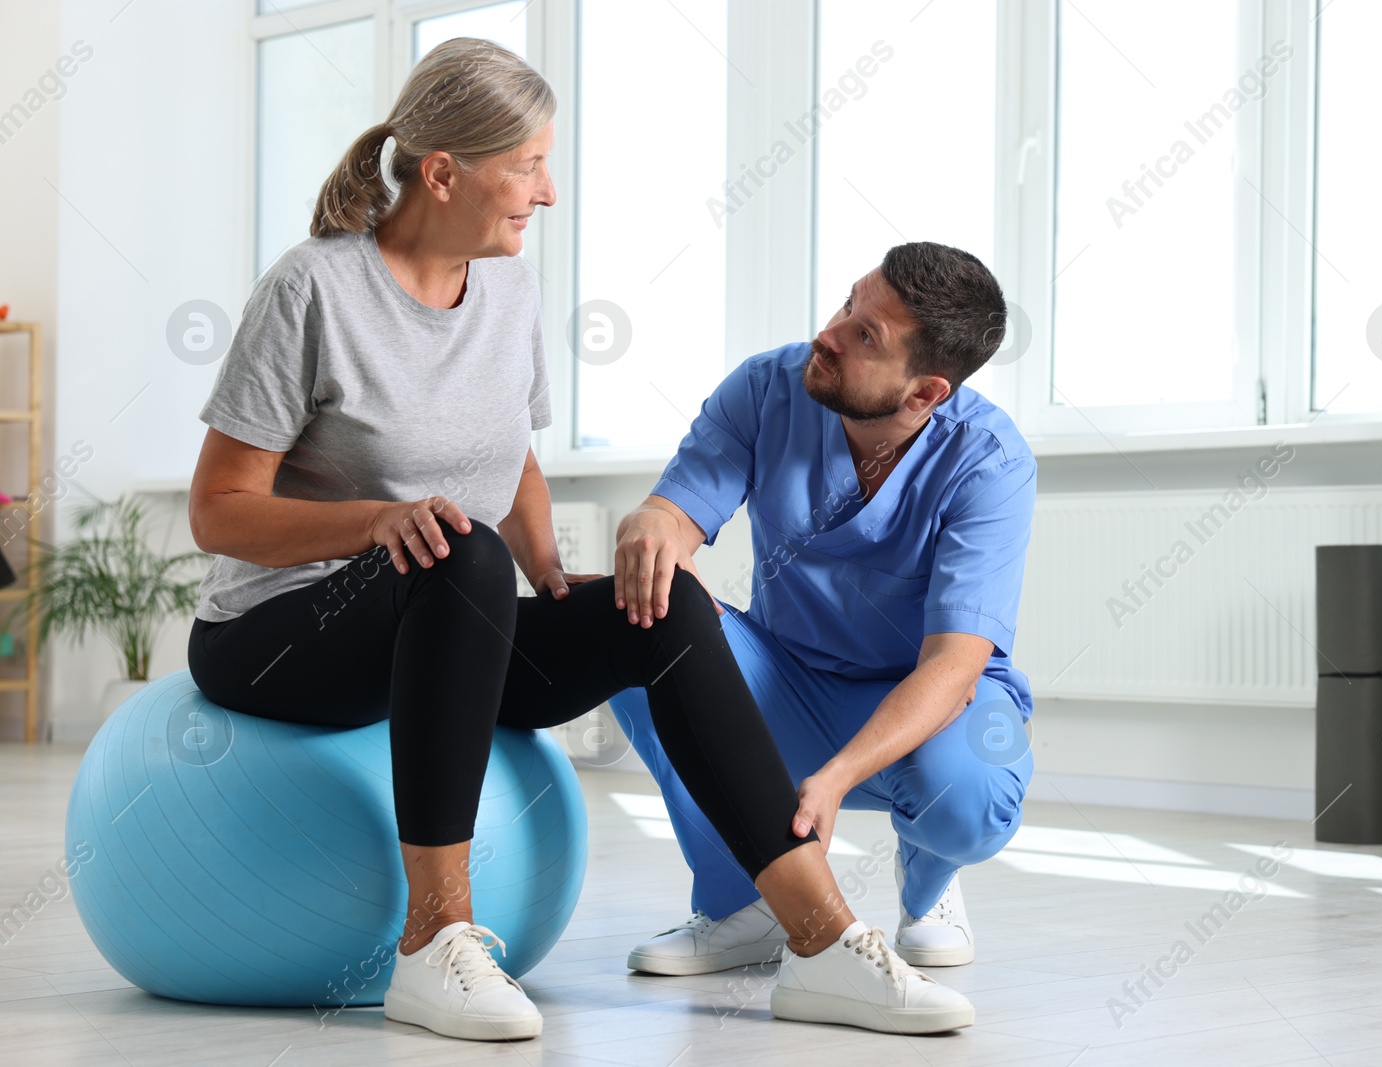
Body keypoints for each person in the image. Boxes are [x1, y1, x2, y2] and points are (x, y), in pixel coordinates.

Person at [185, 38, 972, 1042]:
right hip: (281, 638)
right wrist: (375, 521)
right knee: (459, 550)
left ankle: (821, 942)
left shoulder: (505, 288)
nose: (546, 192)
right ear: (443, 172)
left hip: (439, 624)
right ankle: (433, 940)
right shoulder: (313, 289)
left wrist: (552, 575)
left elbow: (506, 449)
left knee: (665, 601)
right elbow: (220, 508)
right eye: (527, 165)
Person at [609, 242, 1036, 977]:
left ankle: (929, 882)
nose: (829, 333)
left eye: (866, 336)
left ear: (926, 392)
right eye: (847, 304)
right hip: (787, 681)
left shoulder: (989, 461)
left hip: (929, 706)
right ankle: (741, 903)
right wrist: (653, 526)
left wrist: (835, 776)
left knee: (966, 798)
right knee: (628, 621)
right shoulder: (767, 387)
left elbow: (953, 665)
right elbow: (675, 513)